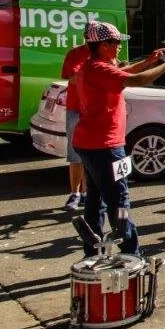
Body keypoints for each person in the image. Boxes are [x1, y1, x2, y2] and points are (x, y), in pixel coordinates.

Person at [73, 22, 165, 256]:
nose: (119, 47)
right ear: (104, 45)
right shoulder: (100, 69)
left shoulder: (93, 66)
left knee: (96, 199)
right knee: (120, 200)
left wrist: (149, 61)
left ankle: (93, 251)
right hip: (105, 146)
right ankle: (131, 251)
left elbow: (125, 73)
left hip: (91, 143)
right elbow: (137, 80)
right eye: (116, 43)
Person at [60, 41, 91, 210]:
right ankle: (75, 193)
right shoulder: (75, 54)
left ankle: (86, 193)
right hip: (76, 108)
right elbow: (72, 79)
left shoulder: (105, 54)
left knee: (91, 154)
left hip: (94, 110)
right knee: (75, 153)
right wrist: (94, 73)